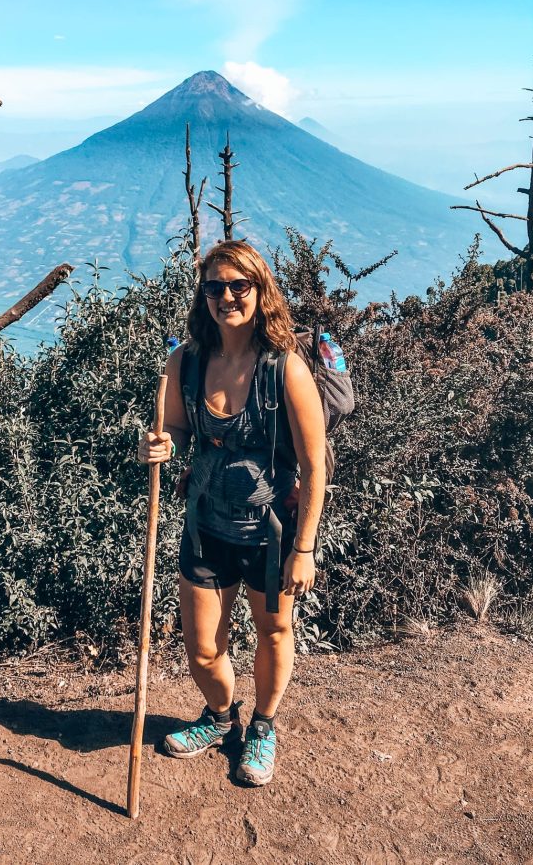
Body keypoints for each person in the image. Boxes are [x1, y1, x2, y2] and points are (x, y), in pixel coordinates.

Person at [137, 240, 327, 787]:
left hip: (270, 535)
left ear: (259, 291)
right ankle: (221, 717)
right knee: (201, 647)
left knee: (273, 632)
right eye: (215, 287)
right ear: (204, 295)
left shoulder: (284, 370)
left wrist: (304, 548)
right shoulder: (187, 363)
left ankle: (263, 727)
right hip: (205, 527)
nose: (226, 296)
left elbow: (314, 468)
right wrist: (157, 445)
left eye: (238, 286)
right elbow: (172, 428)